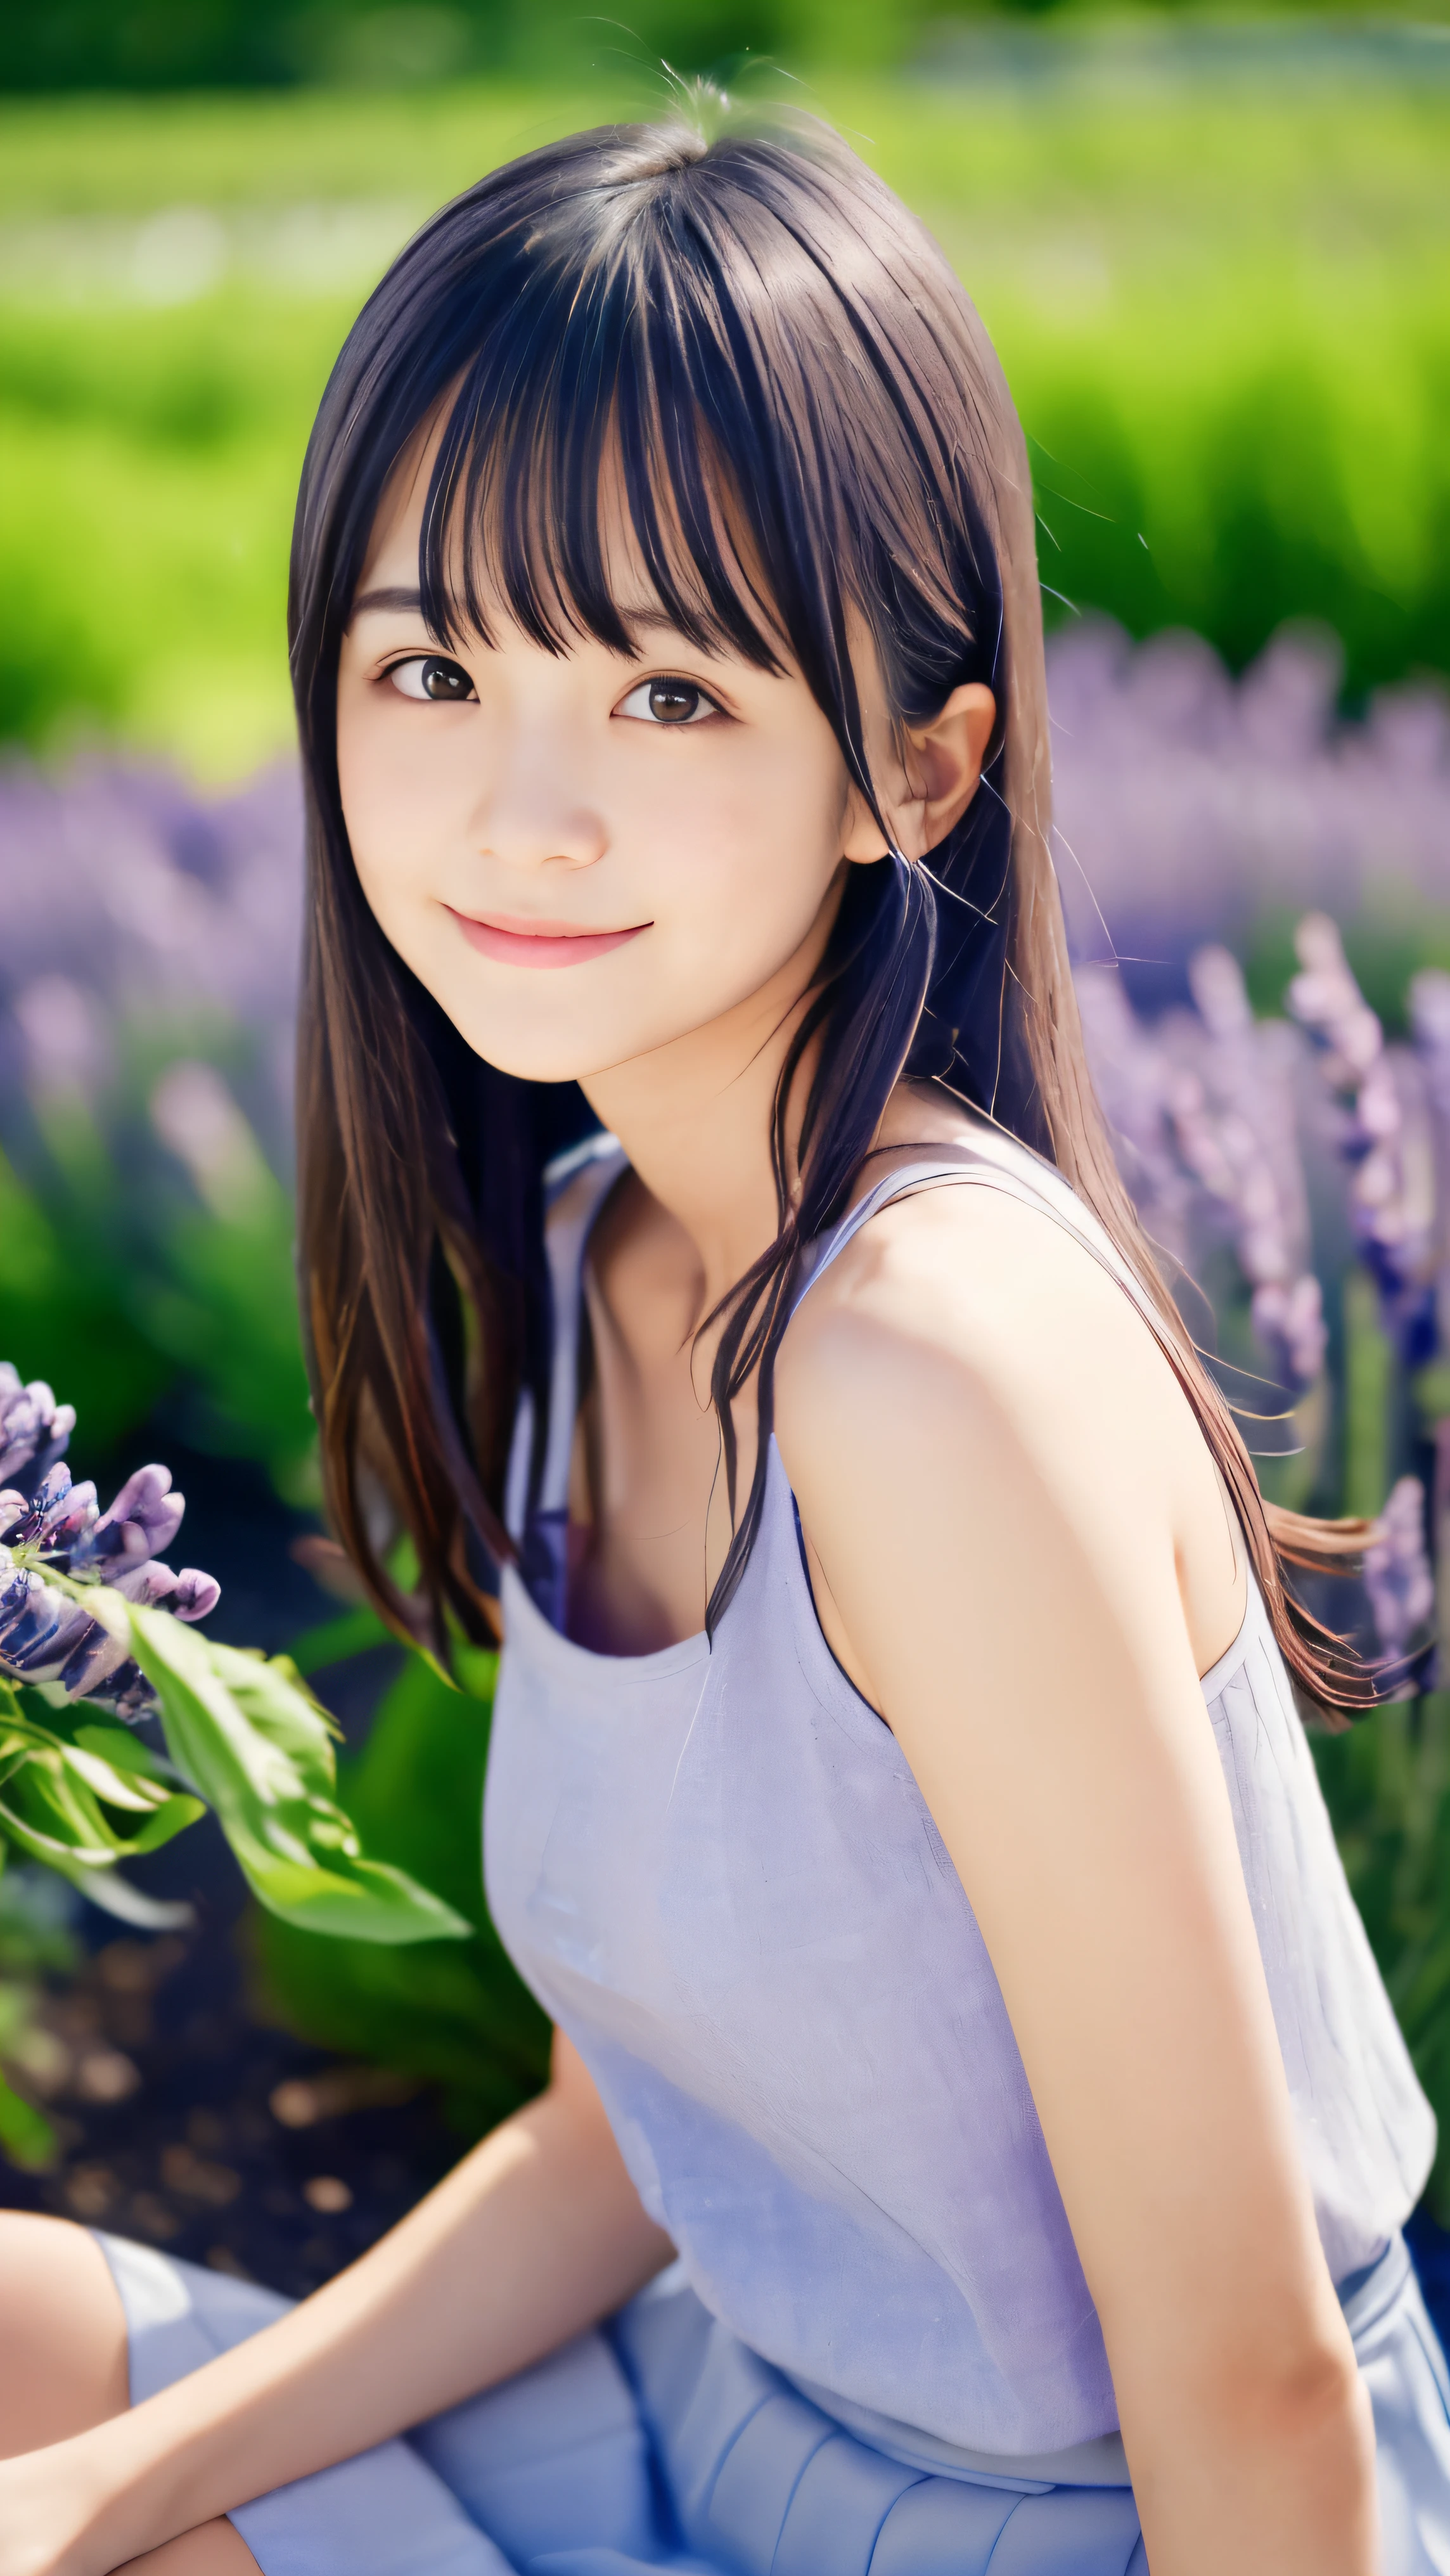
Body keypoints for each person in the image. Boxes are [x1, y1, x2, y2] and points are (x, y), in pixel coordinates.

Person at [0, 101, 1446, 2576]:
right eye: (433, 663)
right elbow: (617, 2139)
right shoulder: (603, 1248)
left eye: (664, 692)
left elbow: (1249, 2386)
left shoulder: (933, 1374)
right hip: (702, 2411)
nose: (518, 812)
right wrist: (105, 2477)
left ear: (913, 763)